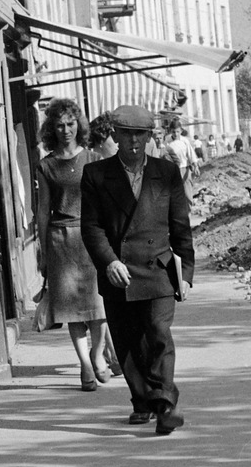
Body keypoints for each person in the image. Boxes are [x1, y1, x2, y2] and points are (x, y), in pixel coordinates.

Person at [80, 104, 194, 437]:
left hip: (157, 268)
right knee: (128, 341)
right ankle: (142, 400)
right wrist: (109, 261)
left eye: (141, 135)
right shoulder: (96, 175)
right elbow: (91, 227)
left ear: (148, 137)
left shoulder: (166, 172)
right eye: (128, 134)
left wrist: (185, 272)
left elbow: (180, 225)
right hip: (118, 270)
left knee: (158, 334)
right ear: (114, 134)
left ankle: (164, 404)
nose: (134, 142)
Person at [34, 98, 111, 391]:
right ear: (51, 128)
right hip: (61, 242)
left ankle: (97, 353)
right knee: (72, 311)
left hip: (92, 238)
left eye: (70, 123)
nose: (66, 130)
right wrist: (42, 251)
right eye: (59, 125)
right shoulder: (47, 165)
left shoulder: (92, 159)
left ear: (79, 124)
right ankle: (86, 365)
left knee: (99, 306)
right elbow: (42, 211)